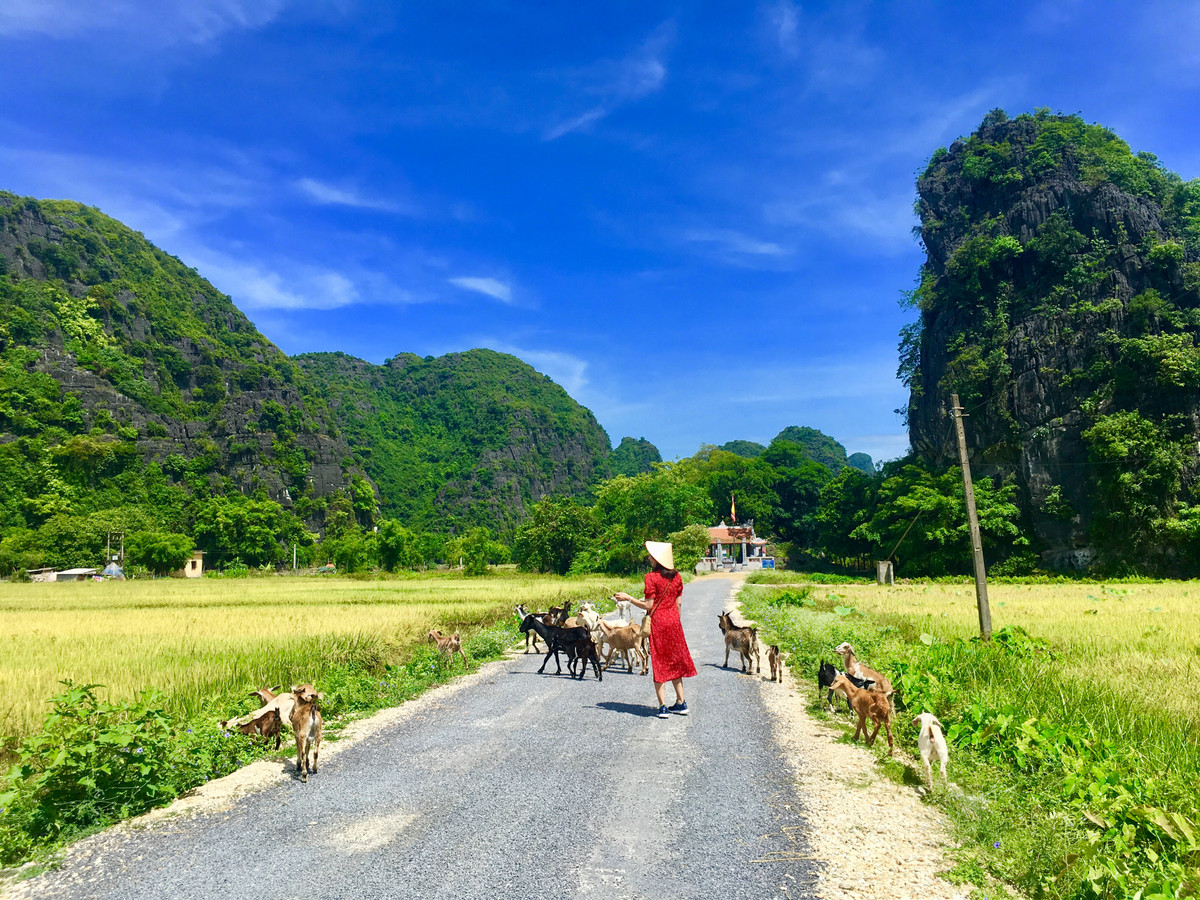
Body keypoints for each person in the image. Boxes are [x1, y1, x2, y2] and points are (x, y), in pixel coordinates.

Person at [614, 540, 696, 719]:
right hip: (674, 623)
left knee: (660, 661)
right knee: (675, 660)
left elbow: (648, 605)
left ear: (657, 559)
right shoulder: (677, 577)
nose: (649, 558)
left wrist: (629, 598)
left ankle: (663, 706)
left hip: (658, 623)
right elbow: (679, 603)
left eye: (651, 556)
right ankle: (681, 702)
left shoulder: (651, 578)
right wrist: (675, 620)